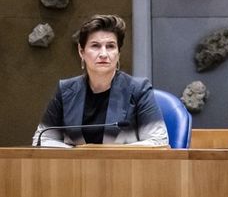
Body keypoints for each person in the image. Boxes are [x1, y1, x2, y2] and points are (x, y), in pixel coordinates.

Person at [34, 14, 168, 147]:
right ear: (81, 51)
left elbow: (159, 141)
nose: (103, 54)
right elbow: (41, 139)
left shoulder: (139, 89)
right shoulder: (65, 90)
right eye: (95, 46)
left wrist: (103, 153)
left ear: (118, 53)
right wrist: (77, 155)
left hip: (124, 166)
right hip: (75, 167)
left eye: (110, 46)